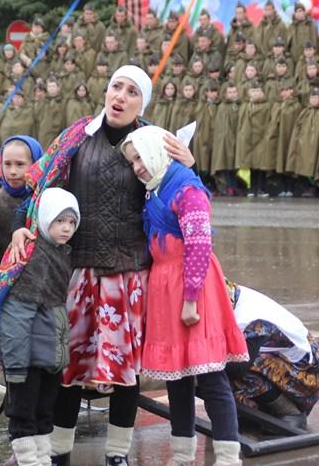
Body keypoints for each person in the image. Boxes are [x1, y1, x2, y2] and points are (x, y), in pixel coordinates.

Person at [7, 65, 194, 466]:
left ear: (143, 103)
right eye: (116, 87)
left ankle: (117, 454)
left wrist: (189, 165)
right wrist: (22, 226)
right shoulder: (77, 136)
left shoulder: (154, 142)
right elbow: (43, 188)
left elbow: (184, 196)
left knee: (126, 371)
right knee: (68, 366)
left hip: (129, 272)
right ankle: (59, 451)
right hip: (78, 269)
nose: (120, 97)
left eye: (132, 92)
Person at [121, 126, 248, 466]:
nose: (137, 167)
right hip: (165, 287)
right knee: (175, 376)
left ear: (156, 153)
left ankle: (228, 458)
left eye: (140, 158)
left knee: (211, 376)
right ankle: (181, 456)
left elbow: (199, 245)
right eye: (132, 162)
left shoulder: (188, 190)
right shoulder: (155, 189)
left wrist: (190, 299)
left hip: (193, 286)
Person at [0, 188, 79, 466]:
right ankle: (28, 461)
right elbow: (16, 315)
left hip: (50, 356)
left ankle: (42, 459)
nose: (66, 228)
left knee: (44, 413)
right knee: (23, 414)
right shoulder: (32, 257)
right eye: (60, 221)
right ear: (45, 219)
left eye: (72, 222)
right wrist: (15, 365)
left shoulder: (61, 253)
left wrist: (60, 357)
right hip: (27, 359)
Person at [226, 282, 319, 430]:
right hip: (284, 360)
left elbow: (238, 368)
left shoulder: (249, 318)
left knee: (234, 363)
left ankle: (289, 412)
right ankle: (258, 411)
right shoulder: (231, 296)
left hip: (310, 371)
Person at [0, 135, 43, 283]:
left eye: (20, 164)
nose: (12, 171)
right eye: (7, 164)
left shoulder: (47, 197)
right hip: (13, 283)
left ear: (36, 163)